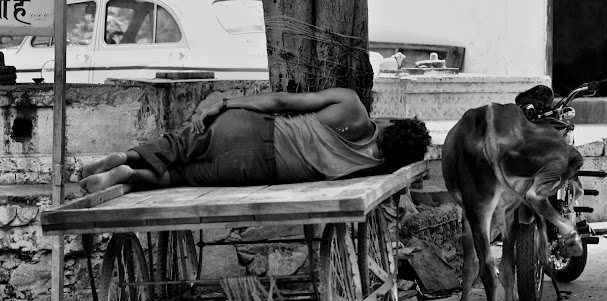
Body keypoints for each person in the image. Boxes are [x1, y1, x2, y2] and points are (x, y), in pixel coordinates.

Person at [79, 88, 431, 193]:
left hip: (253, 128)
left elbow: (279, 102)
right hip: (258, 169)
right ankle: (130, 176)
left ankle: (126, 157)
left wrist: (225, 103)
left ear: (390, 123)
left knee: (178, 145)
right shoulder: (374, 169)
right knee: (181, 177)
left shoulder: (351, 106)